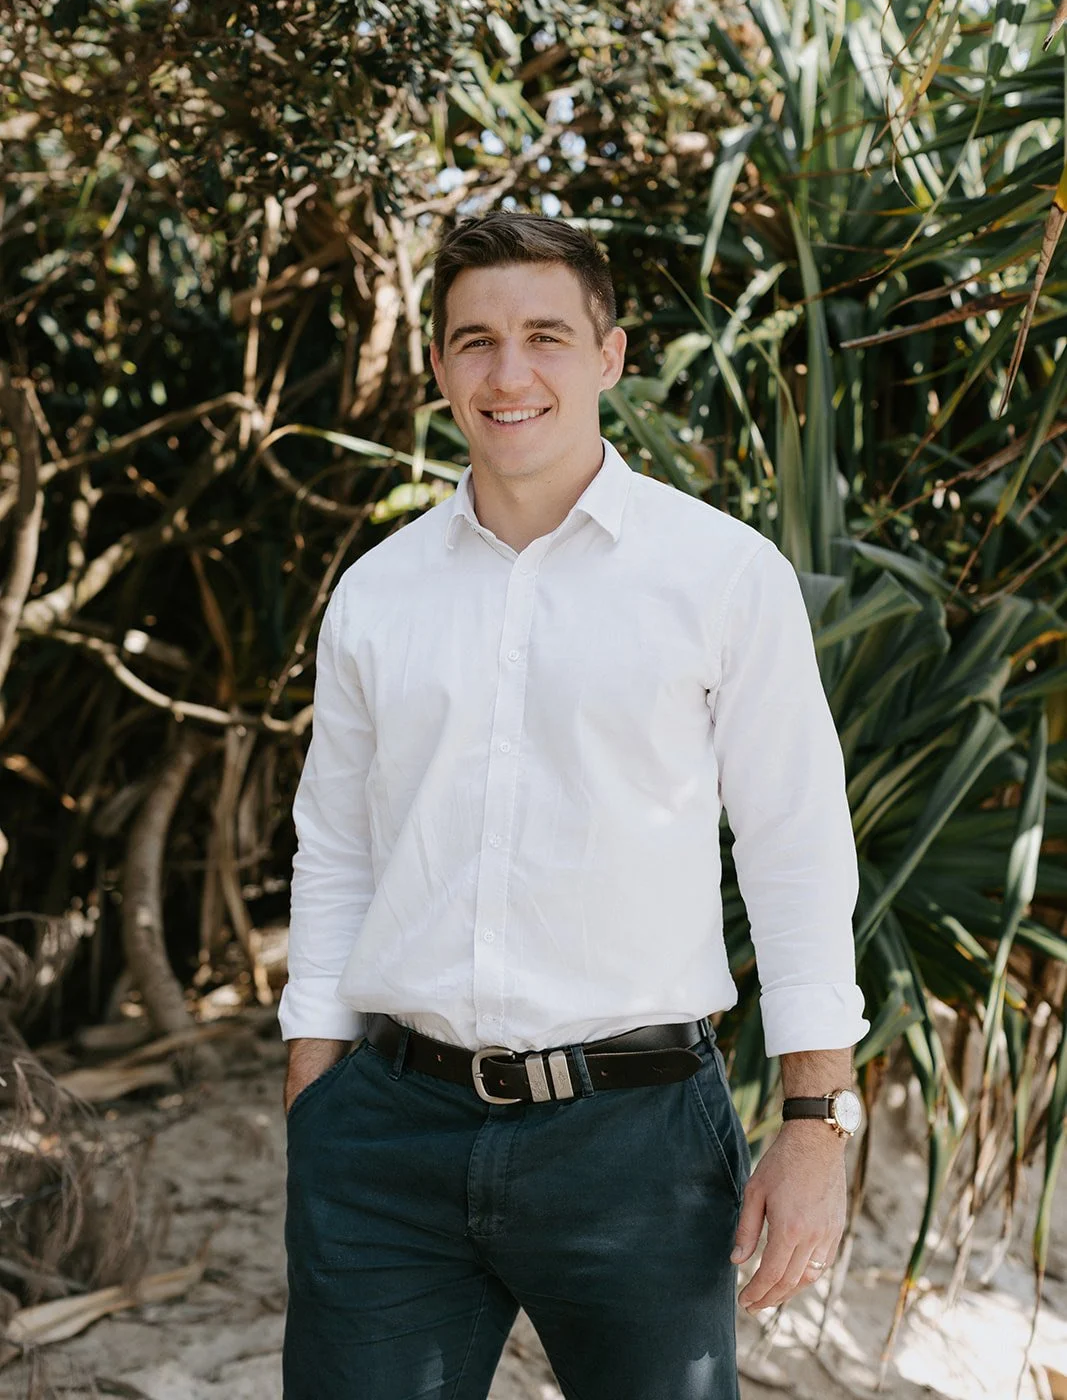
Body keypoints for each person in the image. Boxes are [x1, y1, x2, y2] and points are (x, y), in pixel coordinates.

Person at [278, 212, 869, 1400]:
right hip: (387, 1130)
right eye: (475, 340)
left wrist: (815, 1118)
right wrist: (316, 1092)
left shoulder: (720, 575)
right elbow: (336, 850)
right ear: (439, 366)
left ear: (607, 355)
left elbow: (793, 848)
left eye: (545, 335)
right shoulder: (378, 593)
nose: (509, 374)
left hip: (635, 1140)